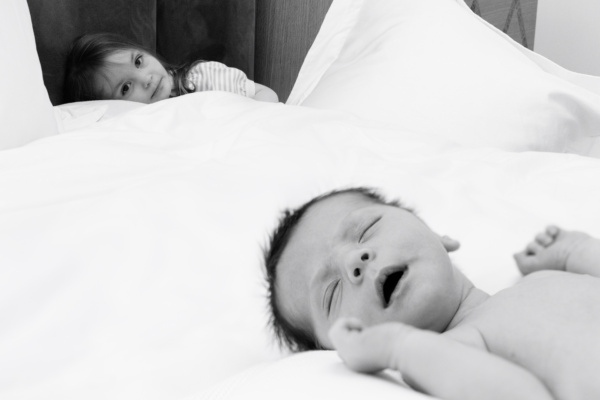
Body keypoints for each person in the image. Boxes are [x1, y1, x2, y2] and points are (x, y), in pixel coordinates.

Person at [263, 187, 600, 400]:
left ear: (438, 235)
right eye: (331, 292)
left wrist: (578, 252)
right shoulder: (450, 352)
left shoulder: (540, 280)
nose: (354, 259)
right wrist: (397, 348)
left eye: (366, 230)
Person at [63, 32, 278, 104]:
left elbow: (264, 93)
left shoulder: (202, 78)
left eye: (138, 61)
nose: (145, 79)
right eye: (126, 88)